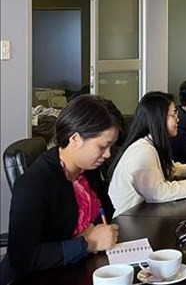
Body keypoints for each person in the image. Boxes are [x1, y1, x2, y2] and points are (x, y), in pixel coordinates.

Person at [3, 95, 120, 280]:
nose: (107, 154)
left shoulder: (88, 167)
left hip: (79, 268)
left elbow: (106, 208)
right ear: (75, 139)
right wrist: (87, 243)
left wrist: (96, 231)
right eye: (103, 146)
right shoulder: (33, 184)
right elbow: (22, 257)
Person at [108, 91, 186, 217]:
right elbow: (158, 193)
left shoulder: (151, 144)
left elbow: (169, 168)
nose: (178, 119)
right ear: (159, 118)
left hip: (144, 216)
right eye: (174, 114)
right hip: (130, 222)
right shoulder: (143, 151)